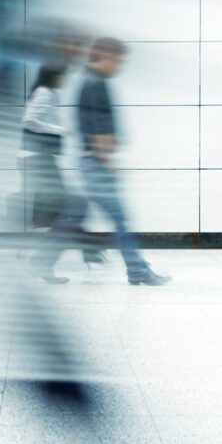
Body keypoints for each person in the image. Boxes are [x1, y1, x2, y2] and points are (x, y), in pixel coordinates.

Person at [68, 37, 169, 285]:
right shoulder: (96, 85)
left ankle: (41, 260)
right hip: (96, 164)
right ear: (107, 56)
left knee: (71, 218)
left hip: (90, 162)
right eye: (119, 60)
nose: (120, 66)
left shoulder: (88, 82)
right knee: (121, 218)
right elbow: (99, 130)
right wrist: (108, 161)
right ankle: (138, 271)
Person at [22, 64, 104, 283]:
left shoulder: (48, 93)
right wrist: (60, 129)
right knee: (74, 207)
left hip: (42, 160)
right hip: (38, 161)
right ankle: (84, 248)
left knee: (70, 209)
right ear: (54, 76)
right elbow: (28, 120)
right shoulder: (44, 92)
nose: (65, 80)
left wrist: (57, 125)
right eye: (63, 76)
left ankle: (73, 252)